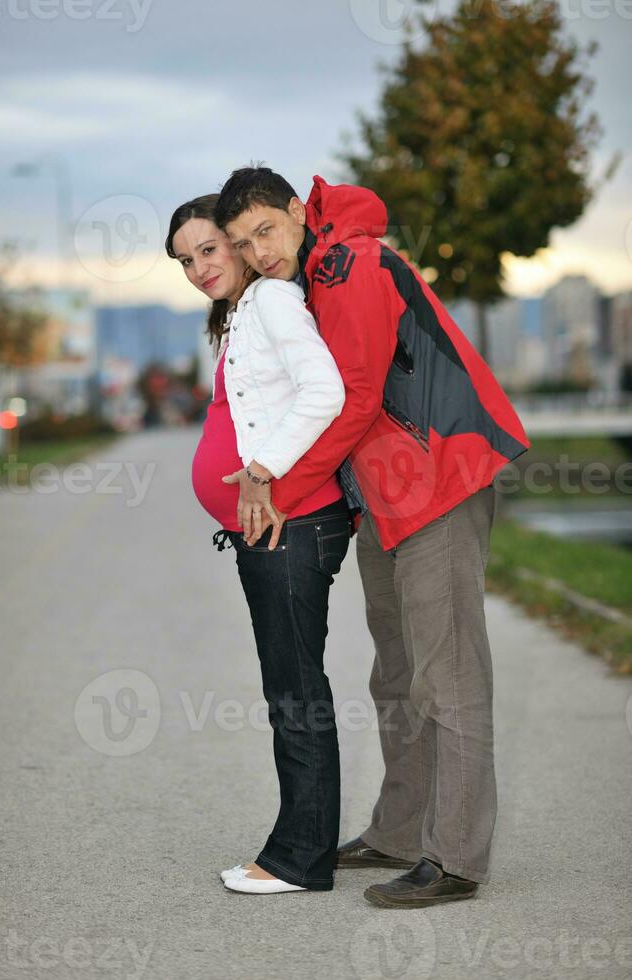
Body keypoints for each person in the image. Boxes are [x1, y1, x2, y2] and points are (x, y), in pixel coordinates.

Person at [214, 167, 531, 908]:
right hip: (386, 497)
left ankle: (454, 858)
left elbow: (352, 398)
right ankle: (398, 830)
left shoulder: (350, 263)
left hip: (438, 480)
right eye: (242, 243)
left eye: (266, 230)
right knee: (395, 674)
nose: (259, 252)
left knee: (445, 674)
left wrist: (278, 487)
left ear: (298, 211)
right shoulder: (311, 278)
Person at [166, 194, 352, 895]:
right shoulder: (244, 312)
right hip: (276, 526)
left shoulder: (273, 300)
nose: (198, 267)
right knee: (291, 689)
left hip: (293, 524)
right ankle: (303, 847)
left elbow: (324, 390)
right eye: (186, 260)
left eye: (210, 249)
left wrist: (261, 473)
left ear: (240, 242)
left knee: (297, 693)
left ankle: (299, 859)